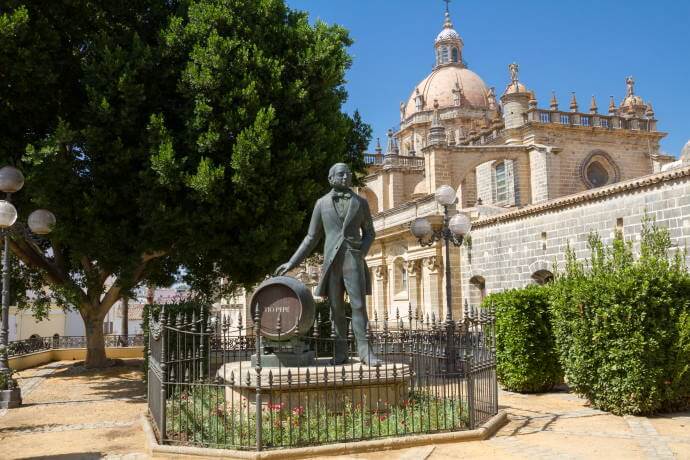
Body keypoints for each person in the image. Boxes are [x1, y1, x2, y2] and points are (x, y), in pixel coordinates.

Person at [275, 163, 380, 365]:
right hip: (331, 263)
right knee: (336, 308)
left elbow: (370, 233)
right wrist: (292, 262)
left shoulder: (361, 202)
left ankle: (366, 352)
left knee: (358, 306)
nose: (345, 176)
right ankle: (340, 353)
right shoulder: (321, 204)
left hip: (353, 259)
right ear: (331, 179)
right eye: (341, 174)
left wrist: (360, 253)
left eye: (348, 173)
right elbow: (311, 237)